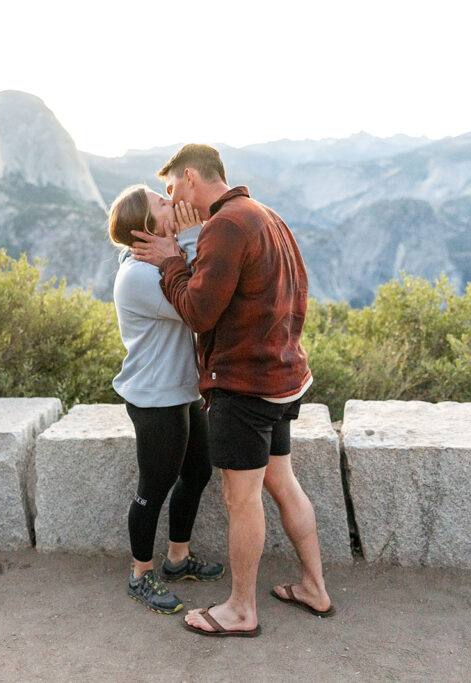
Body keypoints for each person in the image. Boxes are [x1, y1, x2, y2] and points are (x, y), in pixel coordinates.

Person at [130, 144, 335, 637]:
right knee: (284, 484)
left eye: (172, 187)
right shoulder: (266, 215)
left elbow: (199, 312)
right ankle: (315, 587)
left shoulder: (224, 226)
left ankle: (241, 610)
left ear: (191, 179)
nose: (171, 196)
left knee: (241, 500)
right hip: (285, 379)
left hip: (245, 387)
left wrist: (171, 259)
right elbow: (298, 290)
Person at [106, 184, 226, 615]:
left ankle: (177, 559)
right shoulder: (138, 273)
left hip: (182, 392)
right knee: (152, 489)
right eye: (162, 203)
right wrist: (192, 236)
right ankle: (140, 574)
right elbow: (194, 302)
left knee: (196, 473)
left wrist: (179, 244)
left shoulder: (155, 262)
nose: (171, 204)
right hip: (155, 399)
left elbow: (190, 277)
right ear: (146, 227)